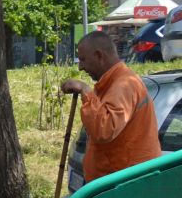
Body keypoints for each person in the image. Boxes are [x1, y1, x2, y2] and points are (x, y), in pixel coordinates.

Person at [61, 30, 161, 184]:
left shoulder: (123, 85)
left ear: (99, 56)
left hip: (126, 185)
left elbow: (104, 130)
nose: (80, 67)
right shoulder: (112, 84)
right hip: (117, 183)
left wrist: (85, 91)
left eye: (83, 59)